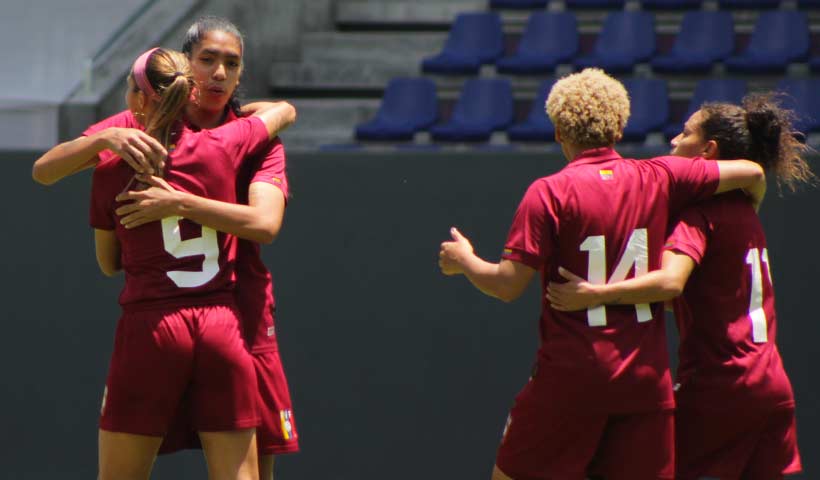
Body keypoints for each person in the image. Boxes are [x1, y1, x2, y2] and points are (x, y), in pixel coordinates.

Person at [438, 68, 768, 480]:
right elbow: (753, 173)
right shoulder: (659, 175)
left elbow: (507, 286)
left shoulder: (549, 192)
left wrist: (463, 259)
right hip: (645, 384)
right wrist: (748, 212)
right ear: (619, 124)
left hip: (571, 379)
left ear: (559, 131)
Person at [31, 16, 299, 480]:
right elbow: (286, 111)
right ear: (184, 71)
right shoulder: (234, 139)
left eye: (230, 63)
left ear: (139, 95)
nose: (218, 72)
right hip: (223, 321)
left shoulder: (117, 156)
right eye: (208, 60)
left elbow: (107, 260)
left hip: (211, 318)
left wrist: (175, 201)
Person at [546, 93, 813, 479]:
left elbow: (671, 283)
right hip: (773, 385)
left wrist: (594, 294)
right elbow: (707, 296)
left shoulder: (700, 216)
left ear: (708, 150)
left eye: (685, 133)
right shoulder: (746, 209)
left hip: (720, 386)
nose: (673, 140)